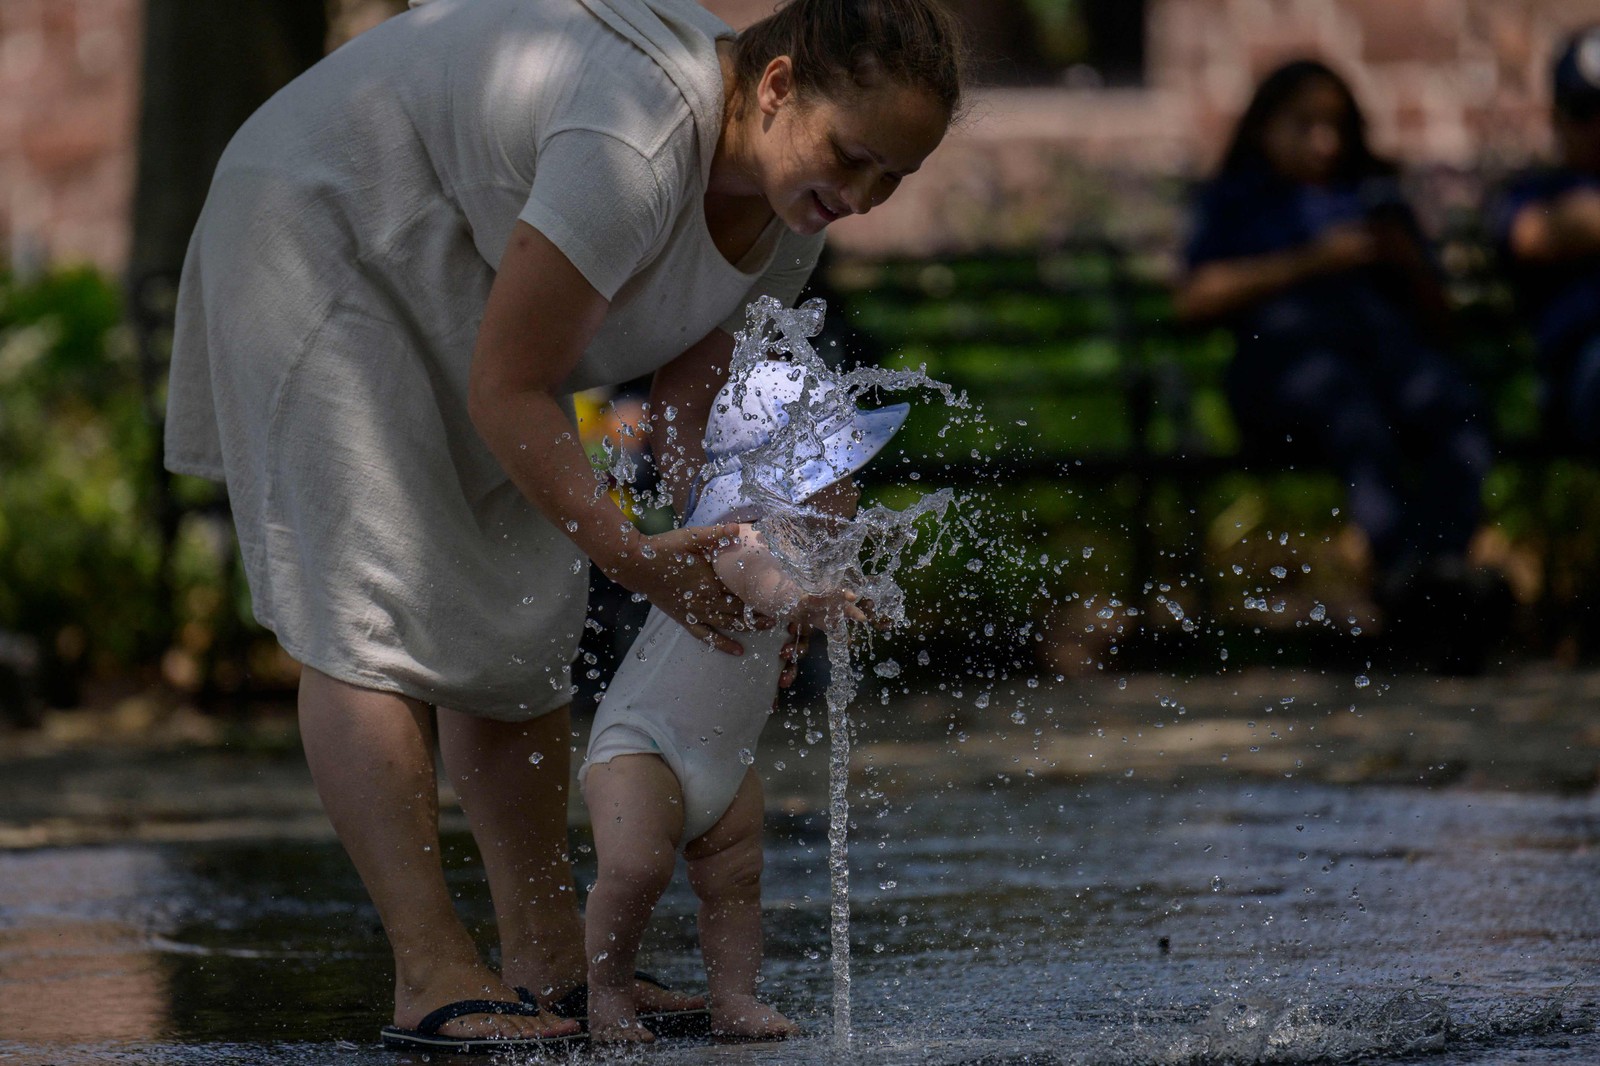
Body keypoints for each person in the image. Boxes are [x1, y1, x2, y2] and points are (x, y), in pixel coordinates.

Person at [160, 0, 963, 1051]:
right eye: (851, 157)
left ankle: (548, 959)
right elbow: (514, 385)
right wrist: (633, 555)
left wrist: (739, 541)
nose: (860, 197)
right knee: (373, 603)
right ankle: (429, 966)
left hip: (468, 275)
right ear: (774, 87)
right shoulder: (635, 137)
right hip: (329, 225)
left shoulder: (783, 211)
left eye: (891, 179)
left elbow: (684, 388)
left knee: (526, 596)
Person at [579, 358, 905, 1042]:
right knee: (635, 869)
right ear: (786, 490)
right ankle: (606, 992)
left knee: (737, 883)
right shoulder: (738, 540)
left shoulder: (799, 554)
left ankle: (733, 998)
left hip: (724, 762)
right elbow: (762, 587)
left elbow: (791, 609)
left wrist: (834, 608)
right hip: (643, 747)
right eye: (835, 477)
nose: (850, 491)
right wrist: (808, 607)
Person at [1173, 59, 1495, 625]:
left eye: (1337, 127)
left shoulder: (1373, 199)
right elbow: (1195, 297)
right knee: (1351, 412)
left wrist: (1408, 261)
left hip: (1391, 371)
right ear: (1263, 127)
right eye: (1304, 125)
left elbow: (1443, 322)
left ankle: (1443, 566)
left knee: (1455, 406)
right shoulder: (1237, 200)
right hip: (1288, 379)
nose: (1325, 143)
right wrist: (1310, 260)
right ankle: (1401, 570)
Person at [1495, 25, 1600, 452]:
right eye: (1584, 110)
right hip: (1580, 379)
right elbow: (1534, 235)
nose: (1598, 127)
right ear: (1556, 115)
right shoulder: (1533, 194)